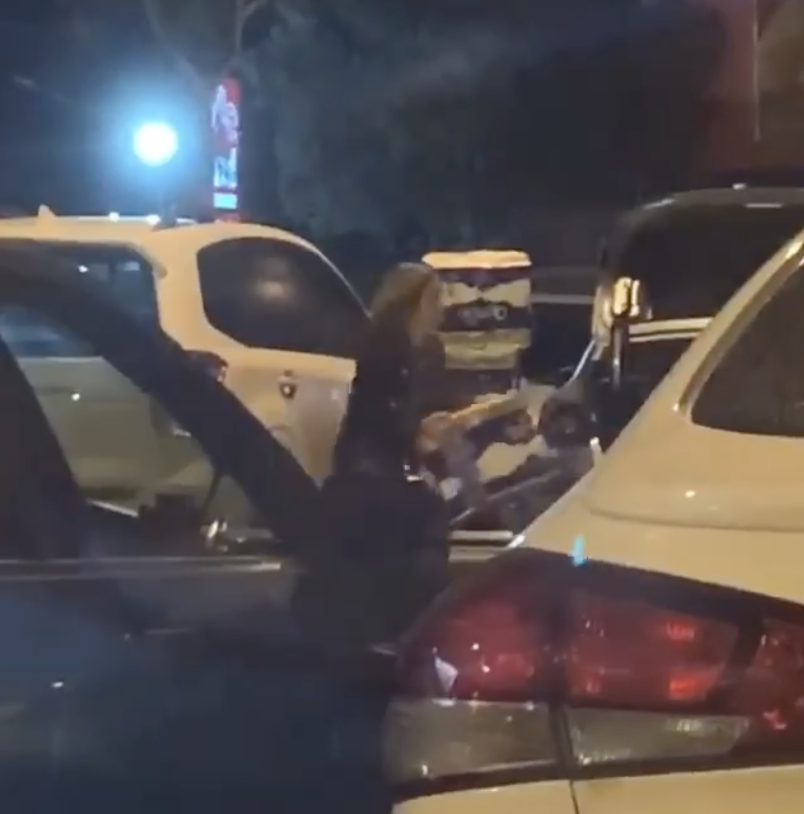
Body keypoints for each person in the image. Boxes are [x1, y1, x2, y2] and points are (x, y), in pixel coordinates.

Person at [293, 262, 457, 656]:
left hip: (368, 465)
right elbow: (381, 416)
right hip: (370, 472)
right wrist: (418, 437)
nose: (441, 309)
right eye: (434, 299)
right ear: (412, 302)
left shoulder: (397, 346)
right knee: (428, 516)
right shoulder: (390, 346)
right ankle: (413, 624)